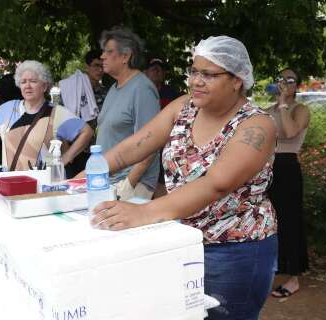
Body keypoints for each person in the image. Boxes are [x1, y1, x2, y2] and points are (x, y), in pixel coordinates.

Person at [89, 35, 278, 319]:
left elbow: (217, 182)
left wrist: (144, 212)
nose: (195, 81)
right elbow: (133, 146)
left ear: (237, 79)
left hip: (234, 250)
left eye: (208, 74)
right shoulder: (184, 108)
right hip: (182, 241)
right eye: (193, 71)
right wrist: (79, 178)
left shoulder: (256, 125)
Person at [0, 60, 92, 172]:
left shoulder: (57, 113)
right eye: (23, 82)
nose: (28, 86)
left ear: (44, 86)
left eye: (33, 81)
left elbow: (87, 132)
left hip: (45, 189)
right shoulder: (9, 108)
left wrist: (65, 158)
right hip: (13, 187)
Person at [95, 27, 160, 200]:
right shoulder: (113, 88)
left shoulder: (142, 89)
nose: (102, 57)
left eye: (109, 52)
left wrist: (129, 184)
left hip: (130, 185)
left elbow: (151, 141)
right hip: (107, 181)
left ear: (126, 56)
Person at [267, 68, 310, 298]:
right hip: (267, 166)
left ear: (297, 86)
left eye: (290, 79)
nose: (284, 82)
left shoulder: (300, 109)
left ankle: (293, 277)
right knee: (269, 220)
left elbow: (291, 132)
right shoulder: (267, 111)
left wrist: (283, 104)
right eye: (281, 78)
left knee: (290, 220)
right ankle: (273, 268)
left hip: (287, 166)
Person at [59, 49, 108, 177]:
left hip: (96, 150)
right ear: (87, 66)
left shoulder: (105, 92)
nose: (100, 70)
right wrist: (67, 151)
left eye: (102, 66)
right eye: (96, 65)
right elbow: (61, 120)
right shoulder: (72, 90)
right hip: (73, 149)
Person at [144, 56, 182, 198]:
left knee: (163, 183)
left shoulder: (173, 94)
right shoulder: (140, 93)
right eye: (153, 68)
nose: (157, 71)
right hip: (143, 142)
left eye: (160, 69)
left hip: (165, 145)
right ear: (145, 72)